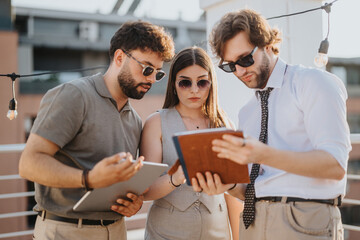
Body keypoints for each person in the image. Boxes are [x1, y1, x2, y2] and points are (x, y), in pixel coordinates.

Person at [191, 9, 351, 240]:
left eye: (245, 59)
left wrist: (262, 154)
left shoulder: (313, 83)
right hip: (252, 223)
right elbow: (254, 188)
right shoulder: (247, 112)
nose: (239, 71)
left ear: (267, 44)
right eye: (230, 66)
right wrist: (226, 186)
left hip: (304, 219)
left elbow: (335, 165)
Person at [19, 20, 175, 240]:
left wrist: (134, 203)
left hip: (117, 230)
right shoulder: (74, 95)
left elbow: (125, 185)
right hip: (66, 231)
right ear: (120, 58)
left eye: (157, 73)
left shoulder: (135, 121)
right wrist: (89, 178)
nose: (151, 79)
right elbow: (29, 163)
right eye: (147, 68)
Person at [140, 46, 243, 240]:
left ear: (211, 83)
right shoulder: (156, 123)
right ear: (173, 84)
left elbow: (233, 195)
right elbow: (146, 190)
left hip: (218, 234)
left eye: (202, 82)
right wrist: (175, 178)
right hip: (166, 233)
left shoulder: (226, 125)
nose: (194, 90)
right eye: (185, 83)